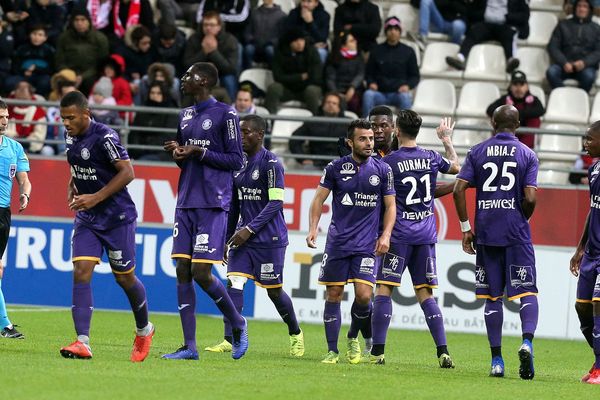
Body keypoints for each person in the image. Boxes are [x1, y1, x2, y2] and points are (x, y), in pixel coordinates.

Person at [161, 62, 248, 360]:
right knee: (182, 270)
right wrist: (178, 152)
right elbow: (186, 159)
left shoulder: (226, 114)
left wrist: (200, 151)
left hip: (213, 201)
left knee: (201, 272)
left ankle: (237, 322)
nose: (182, 79)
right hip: (186, 200)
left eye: (188, 75)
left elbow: (236, 160)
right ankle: (189, 346)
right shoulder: (184, 115)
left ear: (204, 80)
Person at [58, 90, 154, 361]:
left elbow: (128, 172)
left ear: (86, 114)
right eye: (63, 118)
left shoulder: (105, 136)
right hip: (88, 218)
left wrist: (95, 197)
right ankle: (82, 342)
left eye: (71, 118)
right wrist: (73, 183)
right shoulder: (70, 135)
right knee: (81, 270)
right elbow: (79, 162)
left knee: (124, 278)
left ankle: (145, 329)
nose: (66, 123)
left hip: (117, 218)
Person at [205, 114, 304, 356]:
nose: (241, 136)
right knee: (234, 282)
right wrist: (227, 238)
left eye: (247, 132)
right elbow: (235, 206)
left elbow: (275, 203)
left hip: (269, 239)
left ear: (260, 135)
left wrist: (248, 230)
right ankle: (231, 338)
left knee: (274, 291)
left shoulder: (271, 164)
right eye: (240, 132)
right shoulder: (238, 164)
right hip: (242, 238)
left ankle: (295, 332)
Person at [453, 104, 538, 379]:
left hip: (487, 232)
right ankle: (526, 342)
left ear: (492, 122)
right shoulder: (527, 154)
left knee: (492, 297)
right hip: (516, 234)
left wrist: (466, 228)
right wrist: (520, 217)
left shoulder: (478, 151)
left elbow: (458, 188)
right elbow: (532, 197)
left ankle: (497, 361)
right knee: (526, 292)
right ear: (518, 124)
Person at [370, 112, 460, 366]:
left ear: (397, 131)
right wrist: (447, 140)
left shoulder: (389, 162)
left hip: (397, 235)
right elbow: (456, 168)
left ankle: (378, 352)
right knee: (425, 293)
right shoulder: (431, 158)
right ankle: (443, 351)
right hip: (425, 235)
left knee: (384, 289)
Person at [306, 118, 396, 364]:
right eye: (362, 139)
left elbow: (390, 206)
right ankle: (332, 351)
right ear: (350, 142)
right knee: (334, 293)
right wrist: (313, 229)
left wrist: (386, 234)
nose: (369, 142)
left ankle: (353, 336)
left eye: (370, 138)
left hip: (367, 245)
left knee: (365, 296)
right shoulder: (335, 168)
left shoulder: (382, 170)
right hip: (338, 243)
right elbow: (317, 200)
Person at [570, 120, 600, 384]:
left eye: (590, 138)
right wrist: (580, 248)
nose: (586, 143)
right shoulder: (594, 169)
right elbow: (593, 209)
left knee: (599, 307)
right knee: (583, 310)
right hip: (591, 253)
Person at [0, 99, 31, 339]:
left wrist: (25, 193)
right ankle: (5, 325)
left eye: (6, 116)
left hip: (3, 213)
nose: (4, 121)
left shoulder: (14, 148)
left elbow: (23, 178)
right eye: (0, 116)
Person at [445, 0, 529, 73]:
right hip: (485, 23)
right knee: (473, 31)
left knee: (509, 34)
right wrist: (483, 14)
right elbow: (471, 11)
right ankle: (460, 58)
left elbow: (524, 15)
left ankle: (511, 60)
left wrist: (507, 17)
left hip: (506, 24)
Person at [362, 17, 419, 117]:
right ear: (385, 32)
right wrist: (371, 83)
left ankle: (405, 130)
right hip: (379, 92)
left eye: (396, 29)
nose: (393, 32)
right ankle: (366, 129)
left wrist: (408, 86)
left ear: (400, 32)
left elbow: (415, 76)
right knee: (368, 95)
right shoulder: (376, 50)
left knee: (405, 98)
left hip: (398, 93)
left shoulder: (408, 51)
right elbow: (369, 73)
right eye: (390, 29)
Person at [183, 11, 240, 103]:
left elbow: (231, 68)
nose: (208, 28)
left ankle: (231, 109)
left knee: (229, 79)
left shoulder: (230, 40)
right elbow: (187, 64)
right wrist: (204, 52)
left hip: (222, 73)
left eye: (212, 25)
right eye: (205, 25)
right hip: (199, 74)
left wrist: (214, 52)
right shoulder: (194, 39)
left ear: (219, 27)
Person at [264, 27, 323, 115]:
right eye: (296, 41)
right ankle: (268, 120)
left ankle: (314, 122)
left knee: (312, 91)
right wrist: (300, 77)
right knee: (274, 88)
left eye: (302, 40)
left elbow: (315, 76)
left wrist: (293, 79)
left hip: (307, 88)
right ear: (289, 42)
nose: (300, 43)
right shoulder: (280, 52)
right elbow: (278, 77)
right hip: (288, 88)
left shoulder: (312, 51)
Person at [546, 0, 600, 93]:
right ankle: (563, 96)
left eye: (585, 6)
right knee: (551, 72)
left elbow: (598, 51)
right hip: (565, 65)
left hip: (585, 67)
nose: (581, 9)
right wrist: (564, 62)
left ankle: (579, 100)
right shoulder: (562, 24)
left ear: (589, 9)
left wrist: (584, 62)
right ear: (575, 8)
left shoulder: (596, 28)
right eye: (579, 6)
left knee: (589, 76)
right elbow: (553, 46)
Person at [55, 8, 109, 96]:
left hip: (91, 74)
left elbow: (101, 64)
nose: (79, 23)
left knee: (90, 83)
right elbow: (59, 61)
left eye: (83, 20)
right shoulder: (64, 38)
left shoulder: (100, 38)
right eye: (76, 20)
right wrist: (70, 75)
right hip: (69, 73)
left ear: (88, 21)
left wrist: (83, 76)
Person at [486, 71, 545, 149]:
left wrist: (516, 114)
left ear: (527, 86)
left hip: (525, 138)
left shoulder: (533, 100)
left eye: (521, 85)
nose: (518, 88)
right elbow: (490, 109)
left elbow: (541, 110)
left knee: (535, 119)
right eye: (515, 85)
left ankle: (522, 149)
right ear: (510, 86)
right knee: (497, 117)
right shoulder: (504, 99)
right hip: (508, 136)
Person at [289, 92, 349, 168]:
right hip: (315, 163)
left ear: (339, 107)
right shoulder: (313, 121)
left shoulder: (348, 123)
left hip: (341, 164)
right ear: (323, 105)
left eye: (334, 103)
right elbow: (294, 140)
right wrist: (302, 159)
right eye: (328, 102)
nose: (330, 105)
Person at [325, 30, 364, 116]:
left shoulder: (359, 57)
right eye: (351, 41)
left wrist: (352, 87)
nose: (355, 42)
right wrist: (336, 93)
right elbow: (330, 78)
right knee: (335, 101)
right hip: (337, 90)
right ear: (344, 45)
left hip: (354, 90)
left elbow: (360, 74)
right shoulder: (334, 57)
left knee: (355, 101)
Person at [242, 0, 286, 69]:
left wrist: (272, 42)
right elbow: (248, 30)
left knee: (270, 51)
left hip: (271, 45)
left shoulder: (281, 15)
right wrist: (251, 39)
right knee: (248, 49)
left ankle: (272, 71)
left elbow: (281, 35)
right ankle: (247, 71)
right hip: (255, 44)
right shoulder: (255, 12)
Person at [286, 0, 331, 64]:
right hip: (297, 47)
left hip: (317, 48)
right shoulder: (294, 13)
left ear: (316, 3)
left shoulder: (324, 15)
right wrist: (309, 45)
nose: (305, 4)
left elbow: (322, 38)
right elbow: (289, 35)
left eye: (309, 1)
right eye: (303, 1)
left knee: (321, 53)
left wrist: (311, 23)